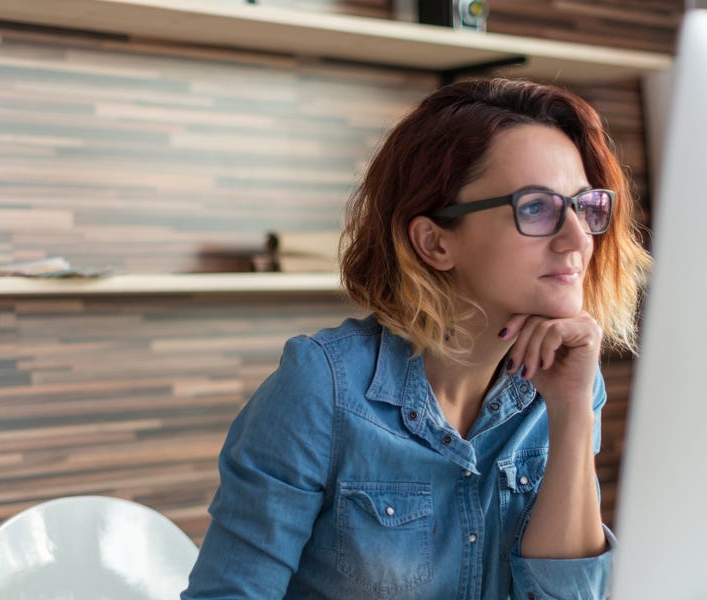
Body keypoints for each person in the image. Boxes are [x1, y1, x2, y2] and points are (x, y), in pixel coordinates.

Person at [181, 77, 651, 599]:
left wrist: (571, 415)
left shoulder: (571, 383)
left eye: (585, 206)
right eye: (536, 207)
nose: (578, 238)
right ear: (433, 241)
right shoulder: (322, 388)